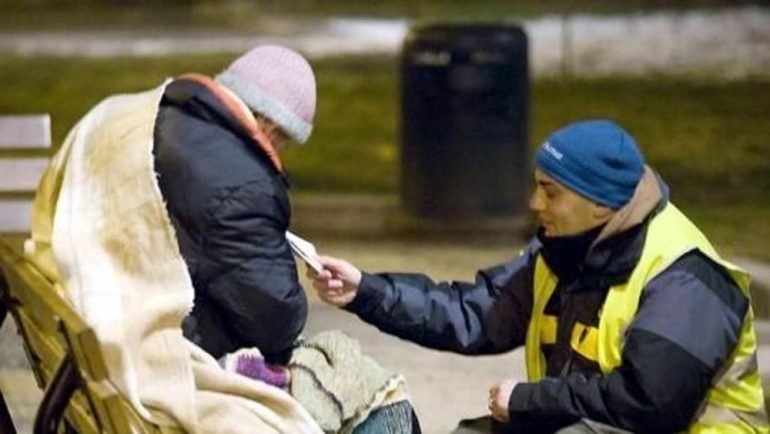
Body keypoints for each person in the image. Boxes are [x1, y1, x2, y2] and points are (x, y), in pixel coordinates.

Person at [310, 119, 769, 433]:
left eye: (550, 192)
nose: (534, 204)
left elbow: (651, 404)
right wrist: (365, 291)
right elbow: (475, 312)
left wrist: (530, 402)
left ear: (601, 205)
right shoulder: (562, 250)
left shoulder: (685, 279)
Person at [153, 45, 314, 365]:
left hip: (131, 333)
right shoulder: (245, 187)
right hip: (179, 365)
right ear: (269, 124)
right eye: (284, 139)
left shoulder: (166, 117)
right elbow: (276, 322)